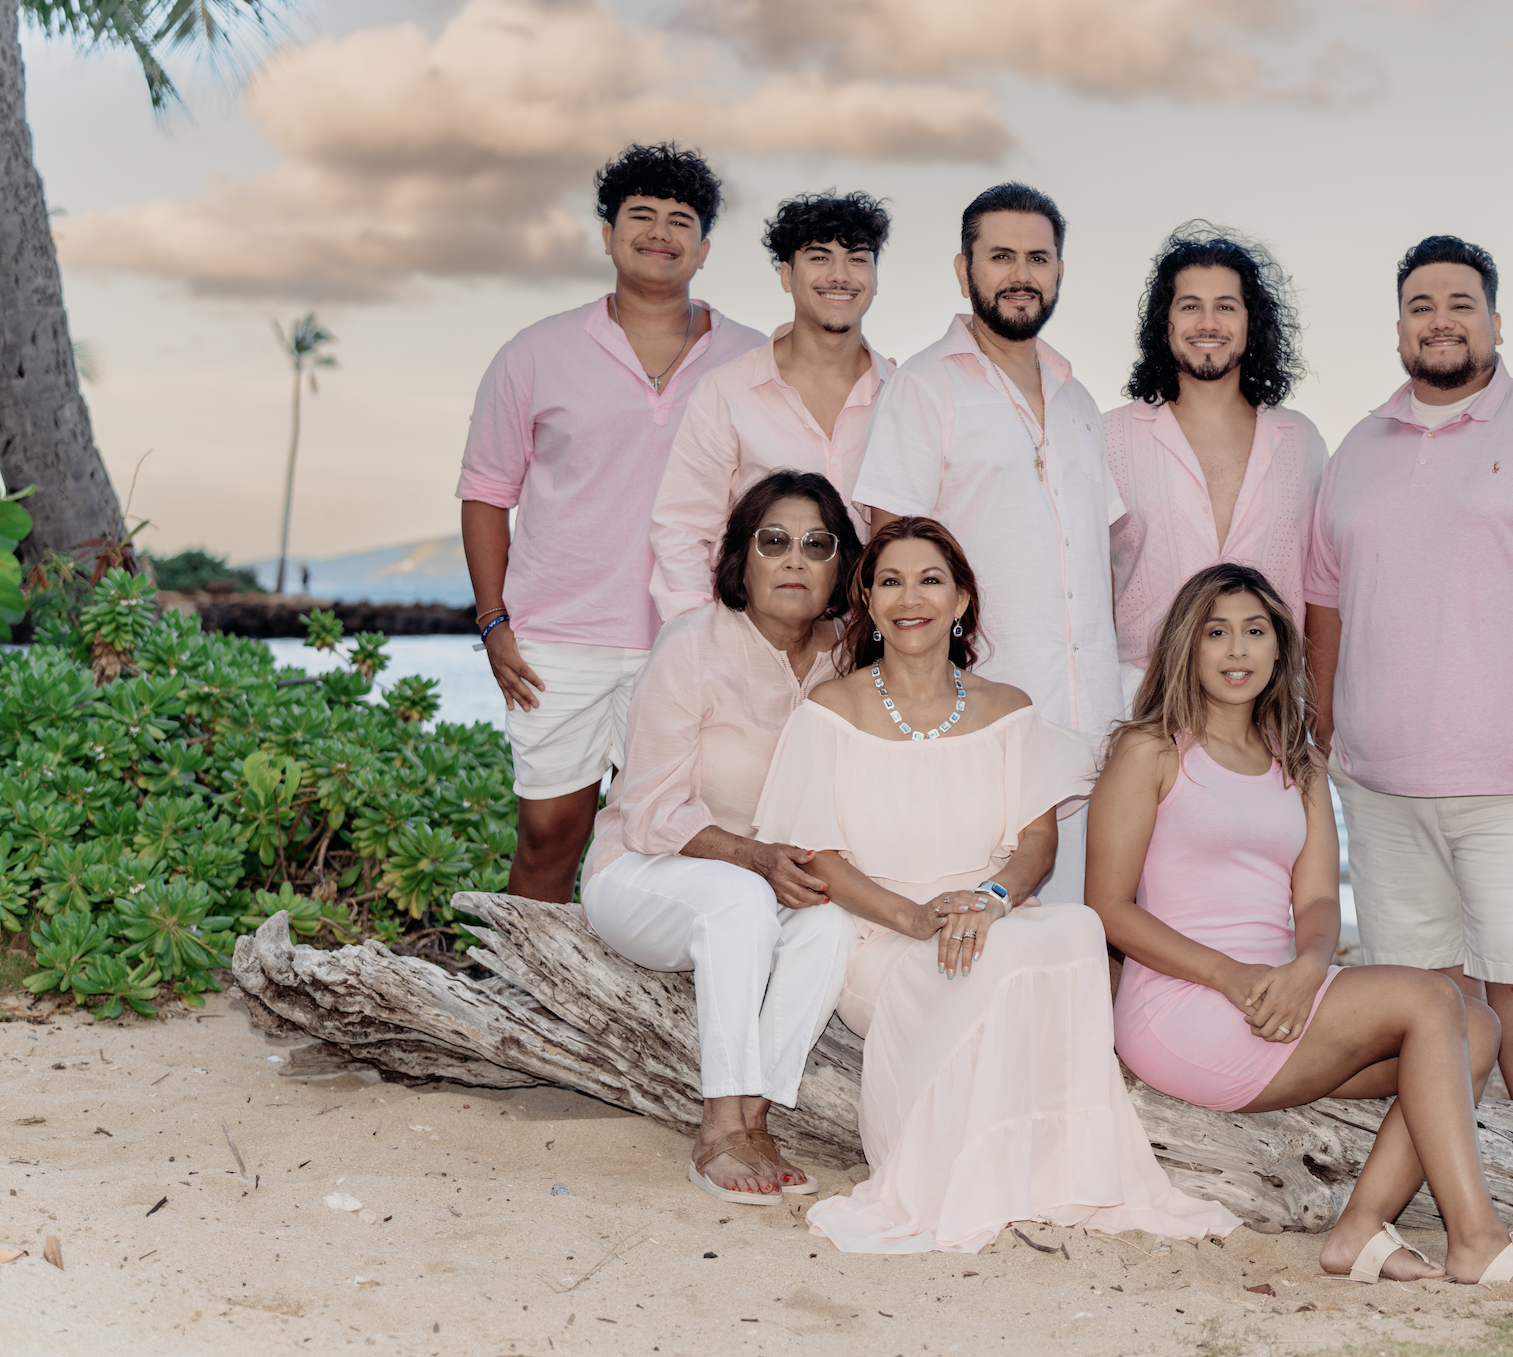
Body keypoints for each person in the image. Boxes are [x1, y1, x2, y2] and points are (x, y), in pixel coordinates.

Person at [1087, 563, 1513, 1288]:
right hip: (1183, 1006)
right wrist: (1234, 978)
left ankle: (1359, 1230)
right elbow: (1109, 907)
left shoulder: (1300, 765)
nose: (1237, 651)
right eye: (1216, 632)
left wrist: (1306, 970)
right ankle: (1475, 1237)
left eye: (1255, 632)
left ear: (1279, 648)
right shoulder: (1151, 752)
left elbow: (1319, 903)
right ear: (1184, 648)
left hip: (1280, 998)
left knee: (1477, 1024)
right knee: (1428, 998)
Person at [751, 517, 1238, 1254]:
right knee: (1000, 957)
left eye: (929, 580)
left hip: (990, 913)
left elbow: (1037, 842)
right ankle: (955, 1170)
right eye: (889, 581)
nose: (909, 597)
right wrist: (915, 917)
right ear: (869, 603)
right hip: (882, 936)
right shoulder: (832, 711)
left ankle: (1049, 1162)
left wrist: (993, 899)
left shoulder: (1007, 709)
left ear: (962, 601)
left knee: (1074, 929)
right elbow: (818, 856)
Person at [1304, 237, 1513, 1107]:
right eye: (1422, 306)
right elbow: (1325, 601)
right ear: (1398, 331)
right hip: (1383, 787)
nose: (1441, 321)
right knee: (1425, 992)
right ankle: (1456, 1176)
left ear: (1495, 321)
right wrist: (1320, 721)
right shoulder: (1359, 448)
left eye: (1461, 303)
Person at [458, 143, 766, 902]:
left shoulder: (754, 358)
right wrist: (495, 622)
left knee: (672, 845)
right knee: (549, 834)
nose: (660, 233)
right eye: (641, 216)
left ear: (703, 247)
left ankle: (635, 1010)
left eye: (680, 221)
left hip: (696, 637)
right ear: (607, 233)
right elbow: (486, 493)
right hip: (557, 642)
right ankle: (524, 999)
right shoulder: (534, 353)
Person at [581, 471, 862, 1204]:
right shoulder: (693, 645)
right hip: (642, 873)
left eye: (816, 544)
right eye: (774, 541)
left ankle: (759, 1114)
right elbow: (644, 810)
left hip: (760, 885)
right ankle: (718, 1122)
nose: (795, 559)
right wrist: (754, 857)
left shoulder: (846, 662)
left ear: (839, 569)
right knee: (737, 897)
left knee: (831, 920)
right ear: (742, 559)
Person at [855, 183, 1121, 904]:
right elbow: (889, 564)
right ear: (962, 268)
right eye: (1000, 256)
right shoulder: (922, 389)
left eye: (1038, 257)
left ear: (1060, 271)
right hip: (979, 731)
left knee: (1085, 945)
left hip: (1093, 727)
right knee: (986, 950)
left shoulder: (1079, 400)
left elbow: (1099, 564)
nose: (1020, 274)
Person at [650, 191, 896, 621]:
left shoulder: (904, 395)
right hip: (753, 646)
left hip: (871, 652)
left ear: (875, 277)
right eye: (819, 257)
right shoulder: (727, 393)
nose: (840, 275)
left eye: (858, 258)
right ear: (786, 274)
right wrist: (702, 644)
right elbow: (682, 533)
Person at [1107, 223, 1327, 703]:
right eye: (1190, 306)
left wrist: (1320, 711)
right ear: (1165, 323)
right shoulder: (1108, 437)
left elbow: (1321, 588)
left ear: (1252, 324)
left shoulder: (1302, 442)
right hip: (1140, 700)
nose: (1208, 323)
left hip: (1271, 706)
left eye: (1226, 306)